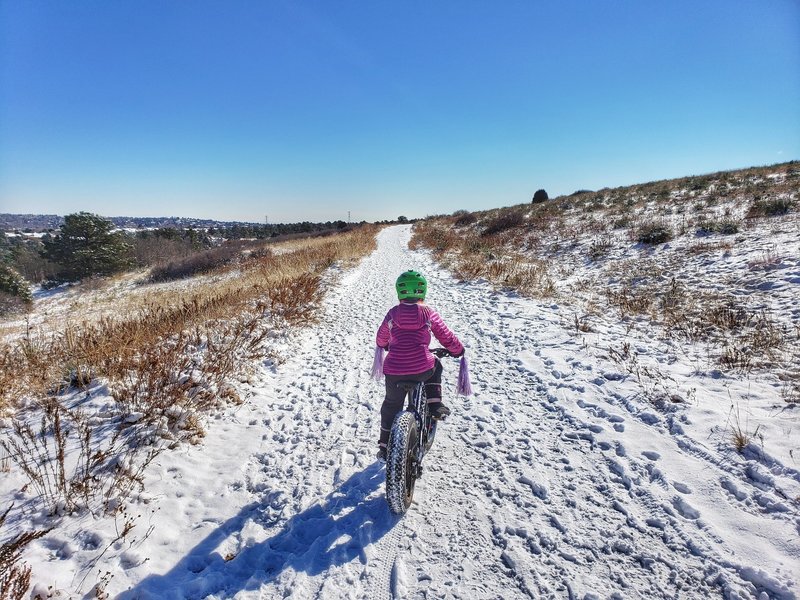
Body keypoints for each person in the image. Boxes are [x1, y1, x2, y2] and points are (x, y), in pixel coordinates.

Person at [375, 270, 464, 461]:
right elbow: (445, 335)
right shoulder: (428, 313)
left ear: (399, 292)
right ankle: (434, 405)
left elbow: (381, 337)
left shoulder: (392, 314)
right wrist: (458, 350)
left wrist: (384, 345)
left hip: (394, 371)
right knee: (436, 366)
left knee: (391, 404)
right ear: (422, 292)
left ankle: (384, 444)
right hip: (421, 368)